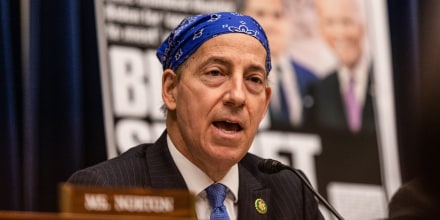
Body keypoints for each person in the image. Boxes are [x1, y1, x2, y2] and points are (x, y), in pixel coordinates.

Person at [68, 12, 324, 220]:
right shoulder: (105, 190)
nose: (237, 96)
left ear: (265, 103)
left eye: (253, 79)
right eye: (215, 73)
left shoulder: (291, 192)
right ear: (171, 90)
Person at [238, 0, 319, 131]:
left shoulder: (313, 80)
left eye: (278, 15)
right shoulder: (233, 77)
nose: (270, 24)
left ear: (291, 22)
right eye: (260, 14)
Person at [312, 0, 375, 134]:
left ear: (362, 25)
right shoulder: (321, 89)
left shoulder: (386, 79)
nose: (339, 32)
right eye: (330, 22)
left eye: (347, 21)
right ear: (321, 29)